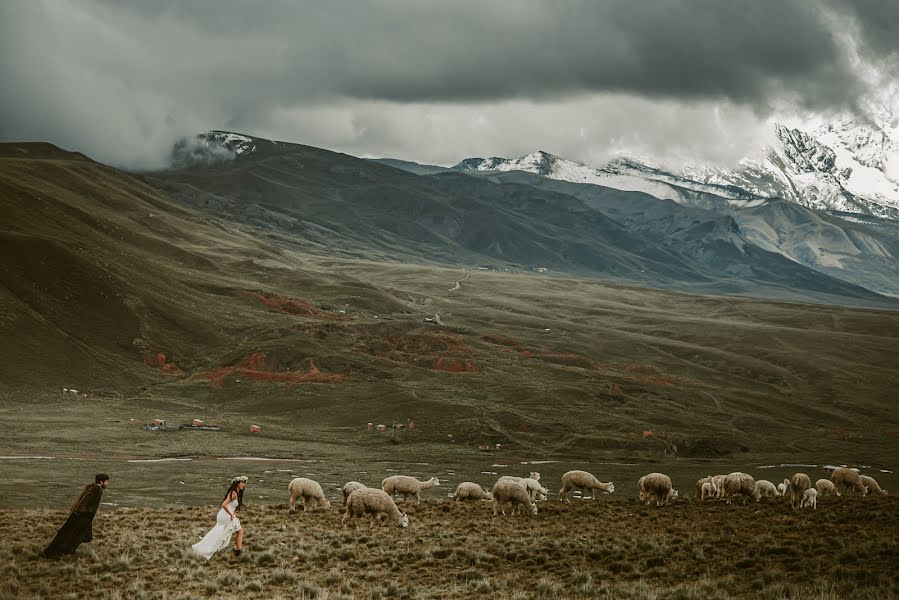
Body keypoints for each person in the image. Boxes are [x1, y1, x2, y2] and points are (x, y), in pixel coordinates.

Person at [44, 473, 109, 559]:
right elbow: (87, 503)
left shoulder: (91, 488)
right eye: (106, 482)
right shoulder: (96, 490)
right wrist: (88, 514)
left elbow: (83, 501)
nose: (107, 484)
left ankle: (61, 551)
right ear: (101, 482)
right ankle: (65, 551)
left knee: (68, 533)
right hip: (83, 516)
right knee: (81, 535)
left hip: (78, 514)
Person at [191, 475, 247, 559]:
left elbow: (231, 506)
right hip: (225, 515)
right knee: (236, 531)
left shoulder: (237, 493)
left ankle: (238, 551)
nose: (244, 484)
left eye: (244, 483)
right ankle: (238, 551)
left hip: (225, 515)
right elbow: (224, 504)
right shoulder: (234, 493)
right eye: (242, 482)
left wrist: (233, 513)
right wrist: (231, 514)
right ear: (237, 483)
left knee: (221, 532)